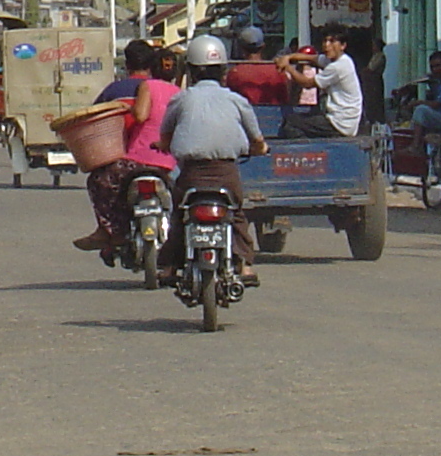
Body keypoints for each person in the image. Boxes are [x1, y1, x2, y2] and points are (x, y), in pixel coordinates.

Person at [157, 42, 266, 284]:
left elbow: (164, 137)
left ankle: (169, 267)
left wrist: (163, 146)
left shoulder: (181, 99)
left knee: (179, 217)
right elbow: (257, 140)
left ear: (191, 71)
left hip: (191, 175)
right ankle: (246, 266)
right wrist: (260, 149)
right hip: (226, 173)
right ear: (223, 71)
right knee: (236, 215)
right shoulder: (237, 100)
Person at [77, 36, 184, 256]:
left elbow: (99, 119)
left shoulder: (137, 88)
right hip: (170, 161)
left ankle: (110, 230)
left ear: (127, 65)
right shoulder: (178, 94)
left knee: (101, 182)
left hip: (135, 158)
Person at [277, 27, 366, 140]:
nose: (327, 45)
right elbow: (311, 58)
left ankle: (308, 152)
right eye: (325, 41)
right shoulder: (334, 60)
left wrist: (288, 67)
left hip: (340, 123)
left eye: (332, 41)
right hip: (339, 119)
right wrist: (288, 57)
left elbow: (307, 83)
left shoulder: (339, 66)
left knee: (291, 123)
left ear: (343, 46)